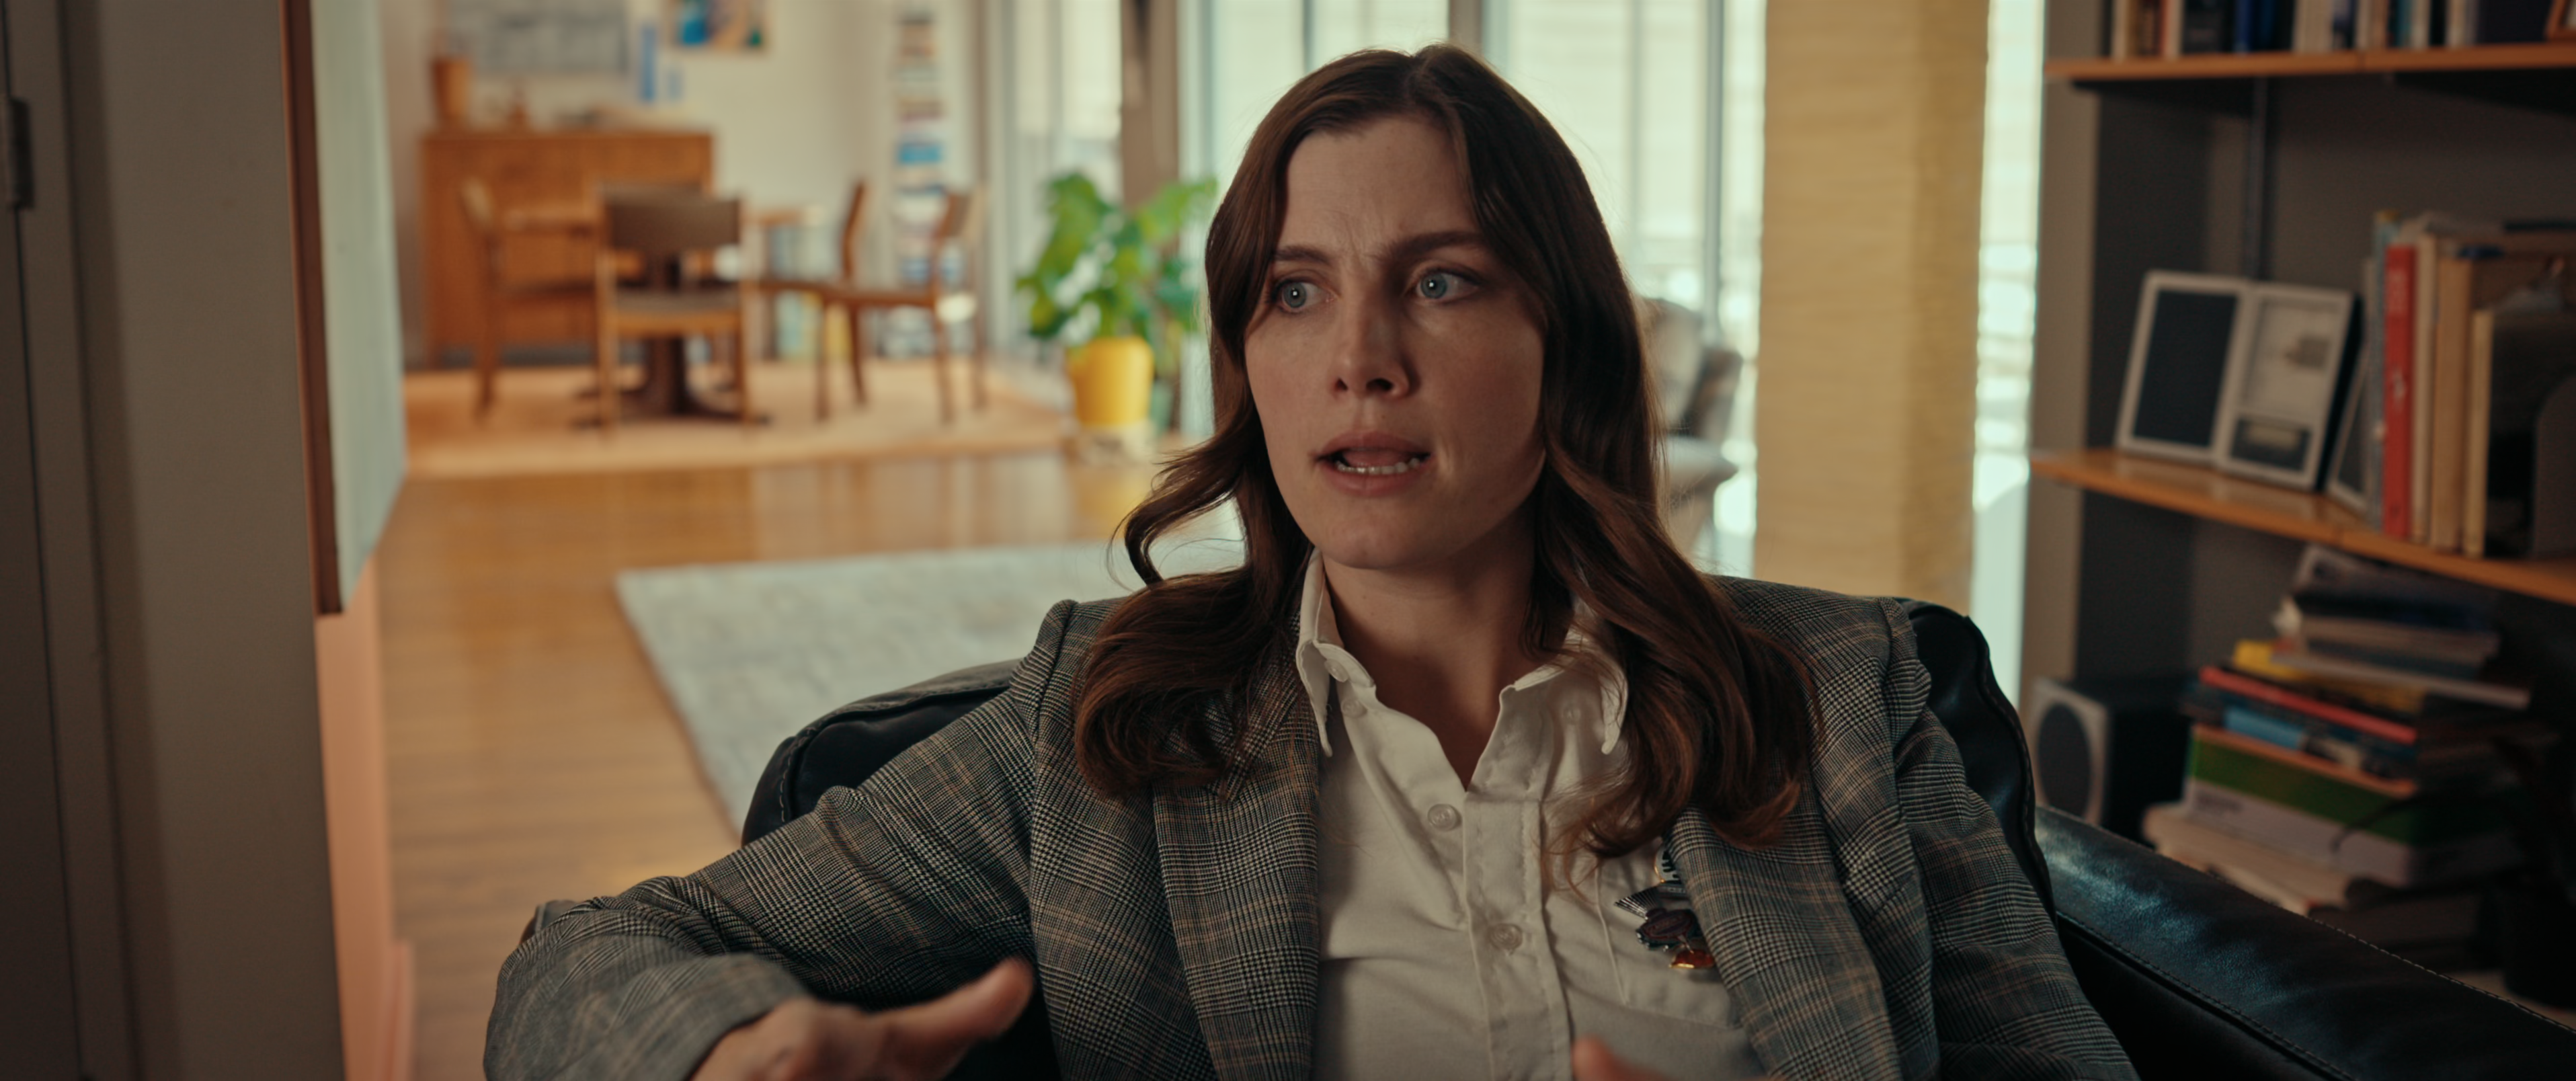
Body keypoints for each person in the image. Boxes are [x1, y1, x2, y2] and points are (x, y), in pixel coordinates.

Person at [487, 44, 2138, 1081]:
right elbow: (584, 959)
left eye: (1439, 281)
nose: (1357, 358)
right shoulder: (1103, 732)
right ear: (1246, 361)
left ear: (1561, 341)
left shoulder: (1844, 700)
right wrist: (728, 1053)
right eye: (1293, 292)